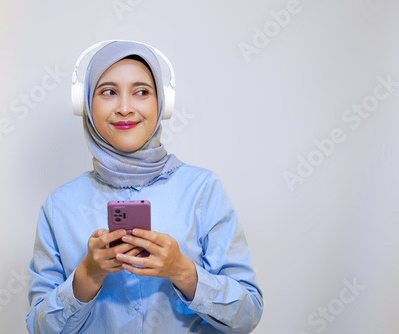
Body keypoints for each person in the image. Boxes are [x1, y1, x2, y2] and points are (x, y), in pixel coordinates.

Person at [26, 40, 263, 333]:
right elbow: (39, 328)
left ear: (162, 104)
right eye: (109, 92)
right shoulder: (59, 205)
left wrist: (182, 271)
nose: (125, 108)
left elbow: (247, 316)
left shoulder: (203, 189)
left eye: (141, 92)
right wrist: (87, 275)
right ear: (84, 103)